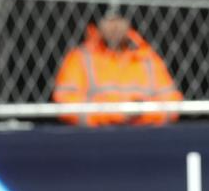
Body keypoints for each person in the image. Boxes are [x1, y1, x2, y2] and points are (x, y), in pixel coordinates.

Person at [53, 11, 182, 126]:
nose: (114, 27)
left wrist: (141, 112)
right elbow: (65, 102)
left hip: (144, 133)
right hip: (96, 136)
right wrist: (113, 113)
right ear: (98, 23)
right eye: (108, 20)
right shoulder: (80, 57)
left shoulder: (147, 58)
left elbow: (172, 101)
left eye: (120, 19)